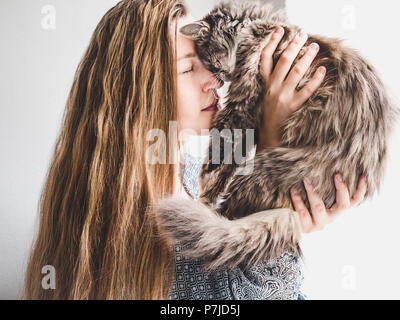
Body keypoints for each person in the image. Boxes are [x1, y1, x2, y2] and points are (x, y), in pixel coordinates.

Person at [23, 0, 367, 300]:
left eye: (205, 61)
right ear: (139, 94)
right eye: (189, 68)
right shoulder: (129, 213)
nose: (215, 80)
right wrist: (271, 152)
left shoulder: (189, 169)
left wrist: (292, 214)